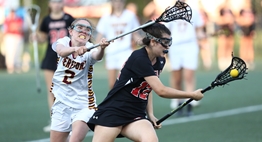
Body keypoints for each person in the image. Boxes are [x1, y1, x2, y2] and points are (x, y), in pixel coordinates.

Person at [87, 21, 204, 142]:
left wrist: (150, 114)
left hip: (135, 114)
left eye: (170, 42)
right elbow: (161, 90)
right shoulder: (139, 58)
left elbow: (149, 87)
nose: (168, 47)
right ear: (153, 42)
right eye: (165, 42)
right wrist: (191, 95)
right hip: (113, 112)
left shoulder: (160, 60)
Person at [50, 18, 110, 142]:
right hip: (61, 102)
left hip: (83, 104)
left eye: (88, 30)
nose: (84, 31)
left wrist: (102, 48)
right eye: (80, 28)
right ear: (71, 31)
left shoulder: (90, 49)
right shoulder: (64, 42)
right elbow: (61, 51)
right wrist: (75, 49)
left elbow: (96, 56)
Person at [34, 0, 75, 132]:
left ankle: (73, 118)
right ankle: (55, 120)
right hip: (50, 58)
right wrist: (36, 38)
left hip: (66, 58)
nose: (56, 4)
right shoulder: (46, 20)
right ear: (50, 4)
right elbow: (43, 38)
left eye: (58, 1)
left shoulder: (69, 19)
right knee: (51, 90)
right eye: (53, 2)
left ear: (62, 4)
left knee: (68, 89)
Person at [165, 0, 204, 116]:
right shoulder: (170, 12)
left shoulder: (194, 11)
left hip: (190, 46)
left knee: (188, 76)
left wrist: (201, 35)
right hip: (175, 47)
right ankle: (178, 102)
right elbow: (166, 32)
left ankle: (189, 105)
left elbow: (199, 29)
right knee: (177, 78)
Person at [95, 0, 141, 89]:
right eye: (115, 1)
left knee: (125, 81)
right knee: (112, 84)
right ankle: (114, 102)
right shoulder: (106, 17)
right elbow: (99, 37)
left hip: (126, 52)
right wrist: (97, 51)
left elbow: (135, 35)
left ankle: (125, 102)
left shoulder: (130, 16)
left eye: (120, 1)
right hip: (111, 53)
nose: (118, 3)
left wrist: (143, 41)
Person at [2, 9, 24, 74]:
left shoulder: (19, 19)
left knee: (17, 51)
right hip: (9, 36)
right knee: (10, 52)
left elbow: (20, 28)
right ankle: (10, 66)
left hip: (17, 36)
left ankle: (17, 65)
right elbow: (8, 28)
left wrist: (15, 27)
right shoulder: (7, 20)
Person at [215, 4, 235, 71]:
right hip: (223, 30)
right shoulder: (221, 10)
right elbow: (218, 20)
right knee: (222, 46)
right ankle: (221, 62)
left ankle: (229, 61)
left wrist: (231, 21)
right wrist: (225, 20)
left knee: (229, 46)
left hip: (230, 31)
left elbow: (233, 19)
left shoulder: (231, 10)